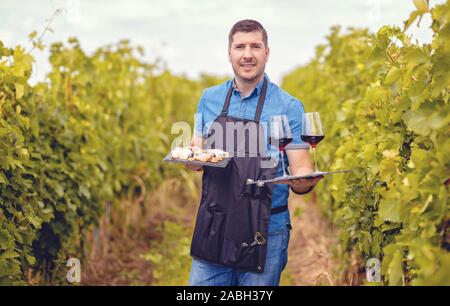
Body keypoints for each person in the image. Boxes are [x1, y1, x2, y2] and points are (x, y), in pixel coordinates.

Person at [186, 19, 323, 286]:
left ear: (266, 53)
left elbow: (301, 170)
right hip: (216, 221)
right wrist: (191, 160)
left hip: (267, 228)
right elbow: (196, 154)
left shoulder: (289, 105)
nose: (247, 54)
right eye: (240, 46)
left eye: (255, 46)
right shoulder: (209, 98)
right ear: (229, 53)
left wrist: (305, 182)